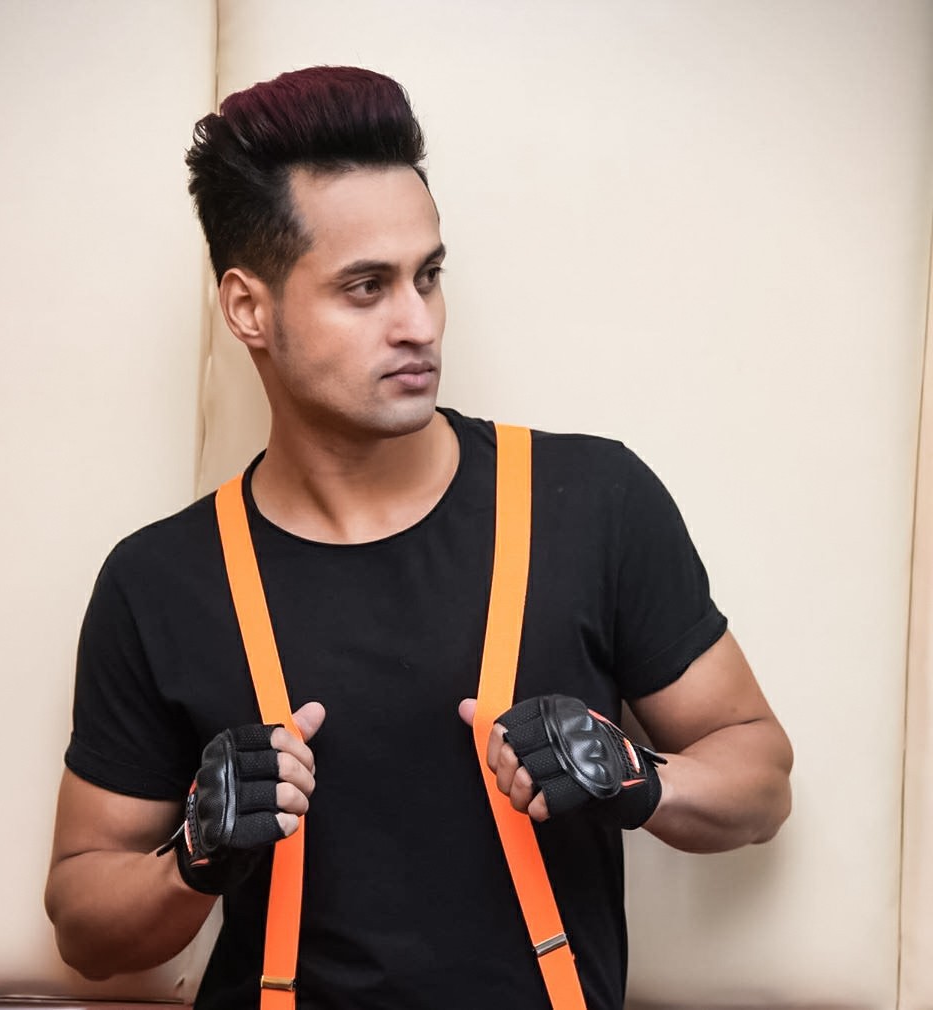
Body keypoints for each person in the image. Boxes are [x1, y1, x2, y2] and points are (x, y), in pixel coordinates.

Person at [44, 66, 793, 1010]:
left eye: (428, 277)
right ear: (248, 309)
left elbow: (760, 778)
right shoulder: (158, 581)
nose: (417, 325)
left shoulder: (593, 502)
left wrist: (638, 778)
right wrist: (192, 854)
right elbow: (84, 928)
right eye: (365, 288)